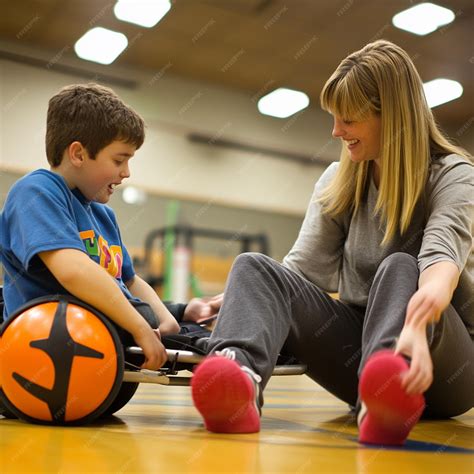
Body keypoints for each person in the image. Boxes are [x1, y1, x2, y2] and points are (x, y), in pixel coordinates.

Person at [190, 40, 474, 445]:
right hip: (361, 358)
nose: (336, 131)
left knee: (401, 265)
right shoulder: (339, 179)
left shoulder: (453, 175)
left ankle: (386, 382)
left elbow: (440, 262)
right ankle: (238, 380)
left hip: (440, 360)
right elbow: (299, 273)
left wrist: (417, 320)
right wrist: (243, 299)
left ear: (390, 117)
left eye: (349, 119)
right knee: (252, 266)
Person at [0, 83, 221, 373]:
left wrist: (168, 317)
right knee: (202, 343)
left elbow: (129, 281)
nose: (126, 172)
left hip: (101, 337)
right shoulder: (36, 192)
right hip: (48, 349)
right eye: (119, 159)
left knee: (197, 334)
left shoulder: (103, 215)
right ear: (78, 154)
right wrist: (141, 326)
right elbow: (74, 271)